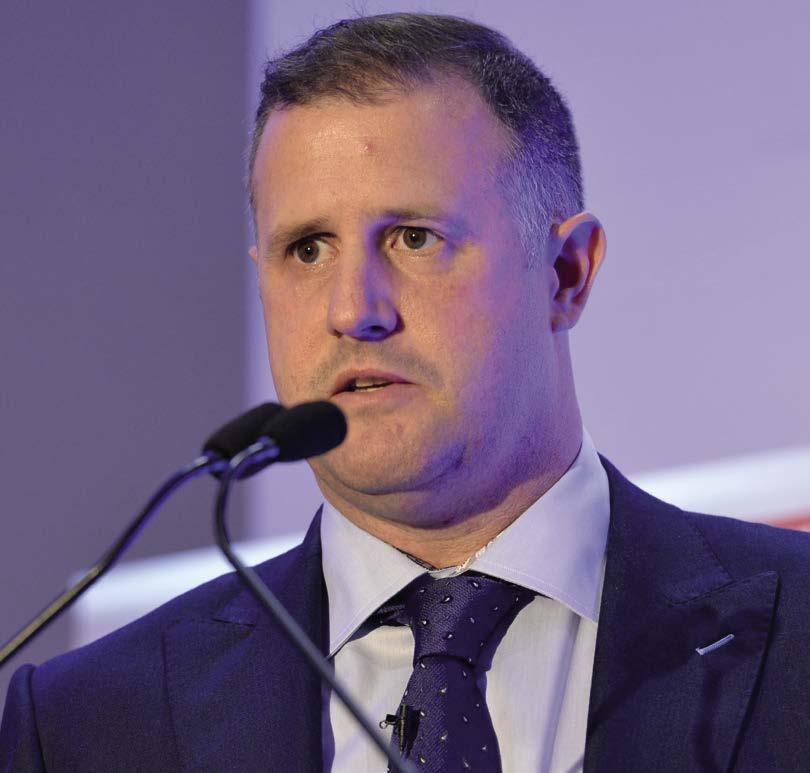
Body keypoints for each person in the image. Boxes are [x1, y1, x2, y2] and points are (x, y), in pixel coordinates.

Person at [2, 12, 808, 772]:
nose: (353, 309)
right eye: (308, 249)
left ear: (565, 273)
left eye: (414, 238)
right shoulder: (89, 721)